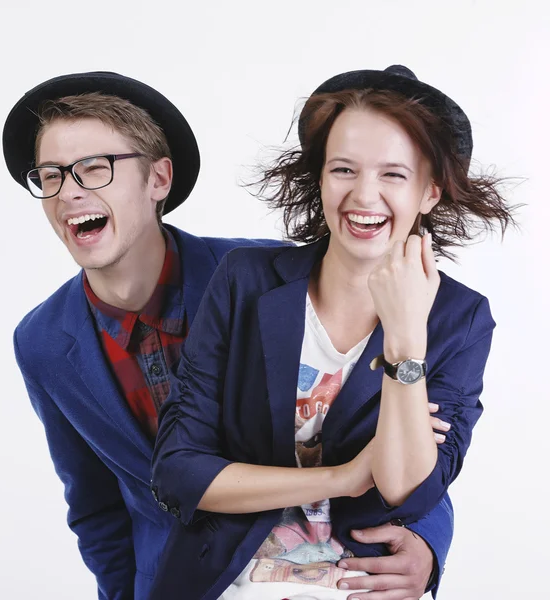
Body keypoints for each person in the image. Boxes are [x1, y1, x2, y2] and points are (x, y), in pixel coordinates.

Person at [5, 70, 456, 600]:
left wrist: (426, 543)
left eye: (94, 169)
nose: (69, 192)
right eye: (51, 175)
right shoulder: (41, 341)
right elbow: (95, 506)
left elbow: (388, 417)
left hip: (326, 572)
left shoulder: (265, 279)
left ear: (159, 180)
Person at [150, 65, 515, 600]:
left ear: (430, 192)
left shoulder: (459, 318)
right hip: (222, 584)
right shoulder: (244, 281)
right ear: (320, 176)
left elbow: (408, 491)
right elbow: (179, 471)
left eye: (393, 174)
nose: (363, 196)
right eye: (344, 169)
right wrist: (342, 478)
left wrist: (407, 339)